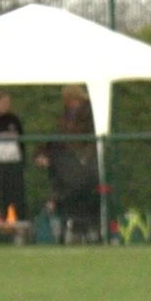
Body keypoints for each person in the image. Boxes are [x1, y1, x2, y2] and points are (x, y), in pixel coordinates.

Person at [36, 85, 100, 237]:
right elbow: (55, 139)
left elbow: (92, 142)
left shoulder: (89, 115)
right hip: (68, 164)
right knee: (66, 180)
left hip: (84, 166)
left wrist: (84, 158)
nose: (69, 103)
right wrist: (41, 153)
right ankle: (60, 210)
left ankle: (57, 204)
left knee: (76, 185)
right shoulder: (65, 117)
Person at [0, 93, 27, 230]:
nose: (6, 106)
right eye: (3, 102)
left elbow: (21, 142)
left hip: (13, 164)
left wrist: (22, 161)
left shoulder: (14, 120)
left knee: (15, 194)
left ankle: (16, 222)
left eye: (8, 103)